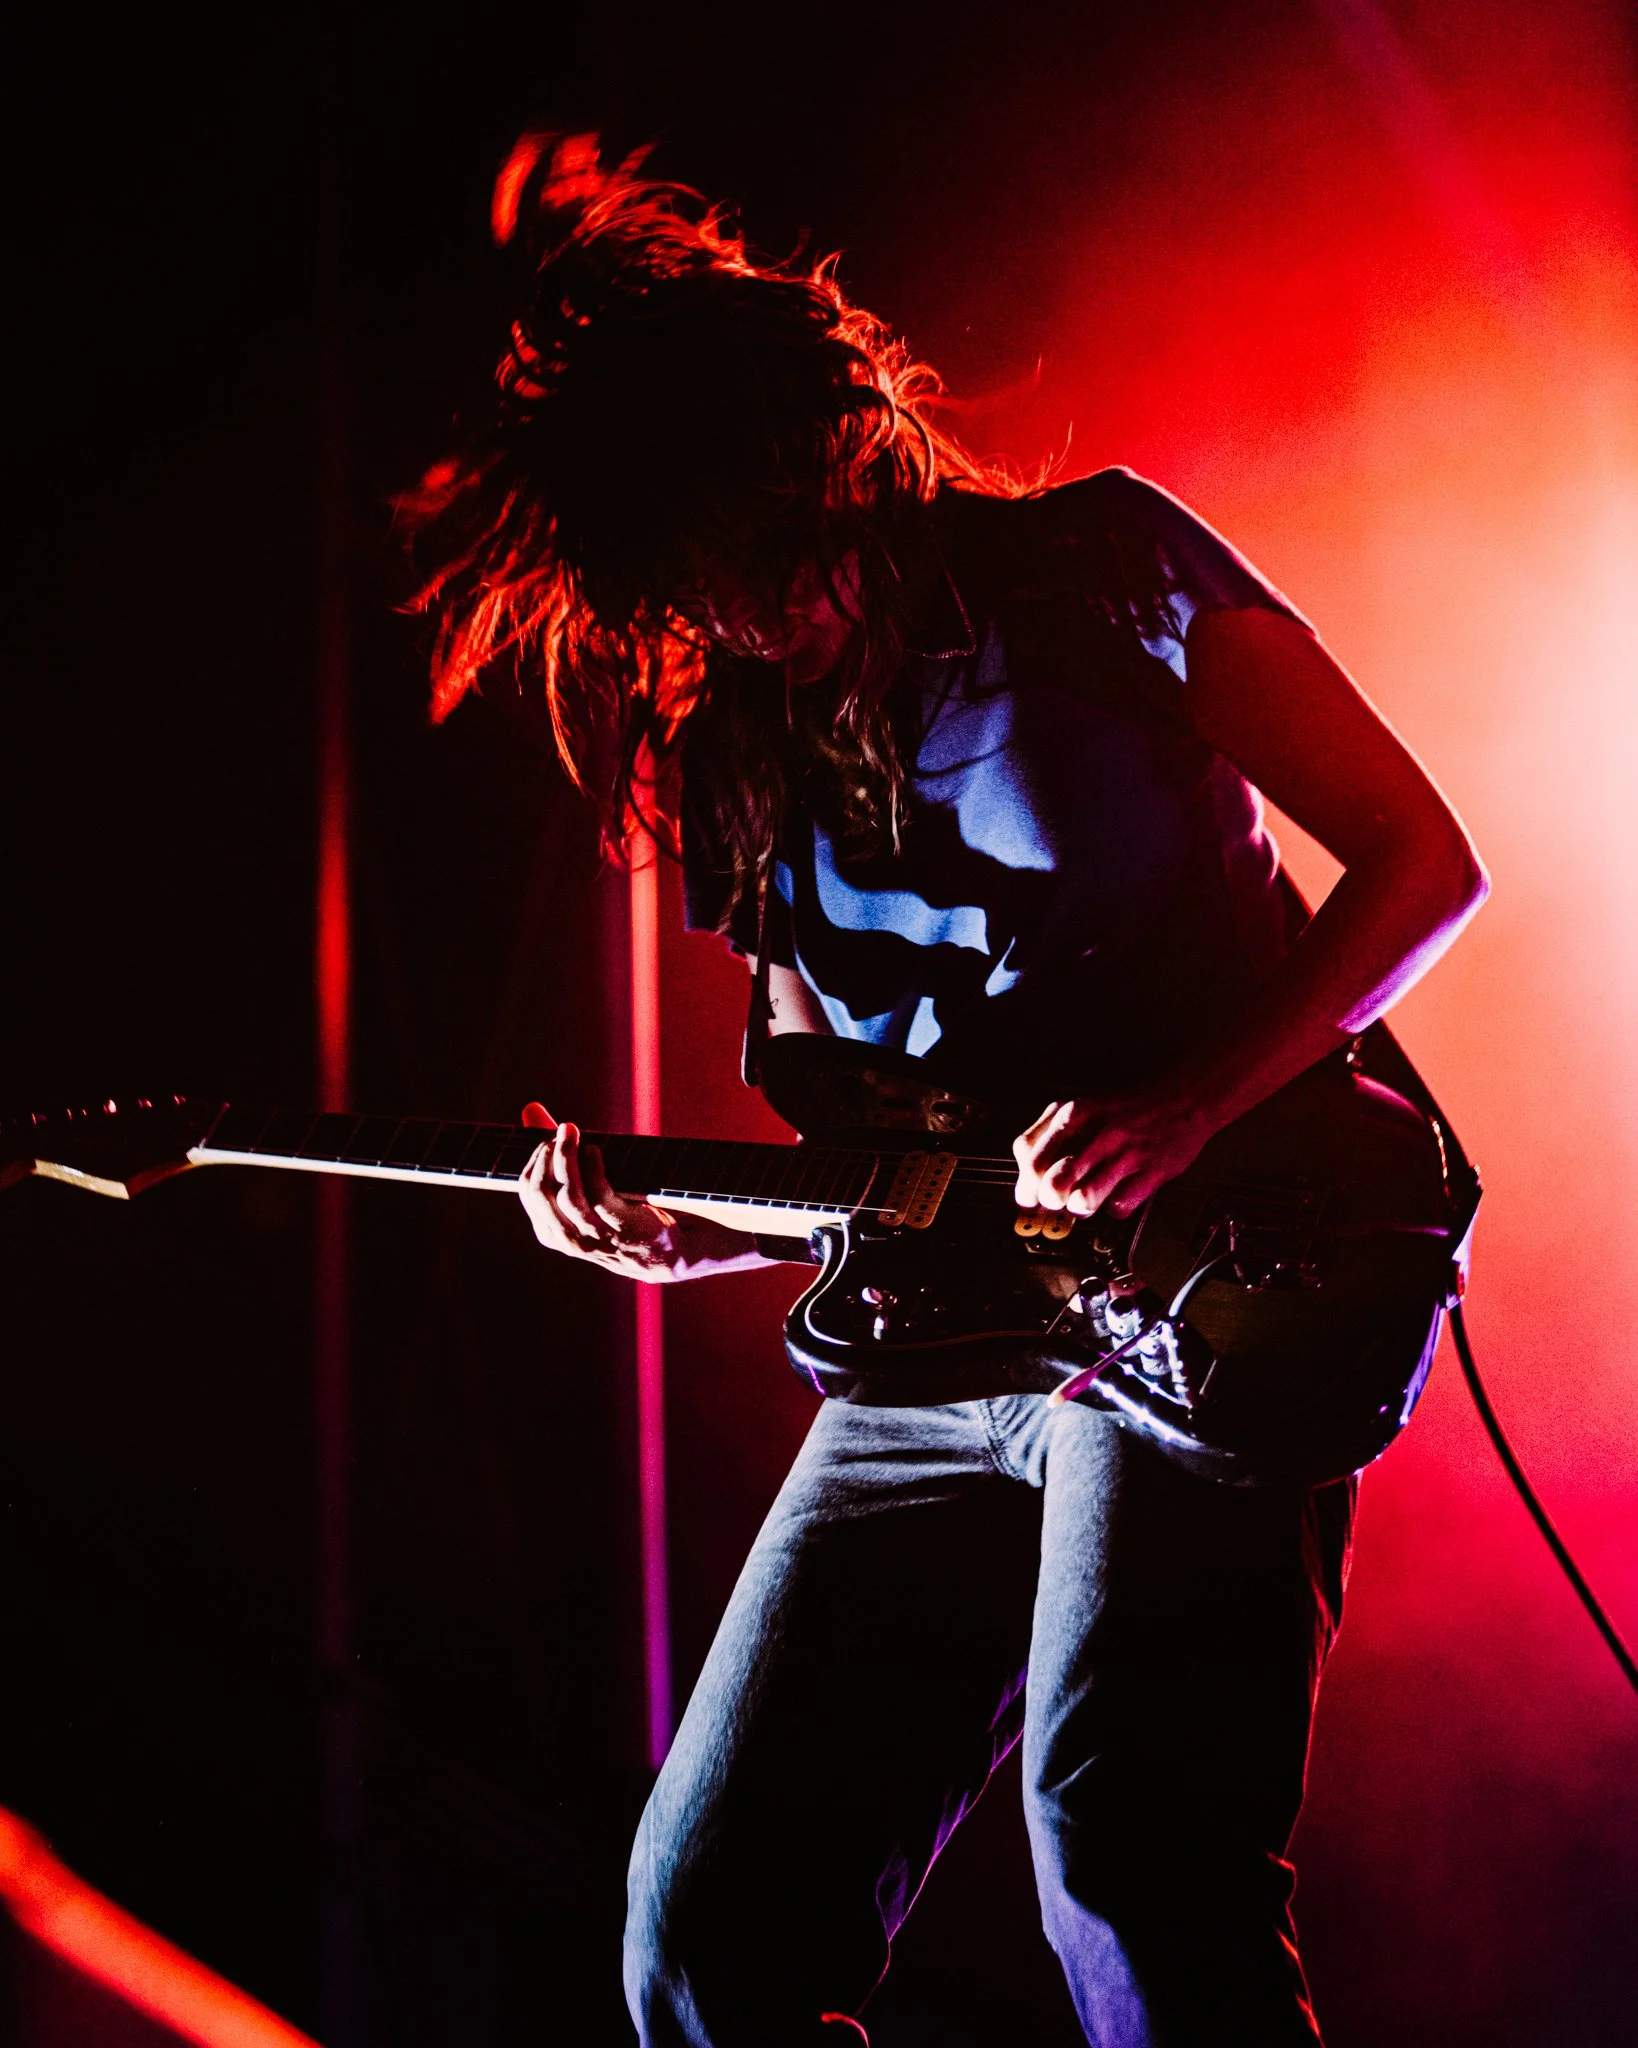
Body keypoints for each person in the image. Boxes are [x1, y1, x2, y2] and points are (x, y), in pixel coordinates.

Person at [408, 132, 1487, 2047]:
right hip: (934, 1360)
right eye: (704, 598)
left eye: (759, 561)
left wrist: (1194, 1099)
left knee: (1133, 1861)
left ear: (826, 452)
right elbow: (874, 1155)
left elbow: (1419, 861)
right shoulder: (737, 753)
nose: (753, 620)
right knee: (703, 1932)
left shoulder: (1102, 565)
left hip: (1210, 1284)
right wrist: (689, 1235)